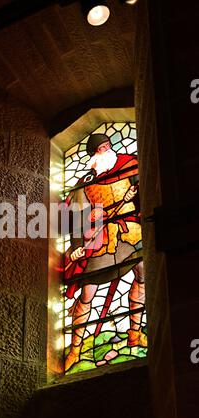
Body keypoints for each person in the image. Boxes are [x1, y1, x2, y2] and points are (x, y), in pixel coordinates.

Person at [64, 133, 147, 372]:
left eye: (107, 146)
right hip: (100, 241)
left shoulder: (130, 166)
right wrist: (78, 245)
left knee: (142, 273)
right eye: (101, 148)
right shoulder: (85, 183)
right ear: (93, 155)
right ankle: (75, 350)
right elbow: (78, 216)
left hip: (131, 232)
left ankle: (134, 334)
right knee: (87, 291)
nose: (106, 150)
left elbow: (146, 193)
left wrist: (135, 198)